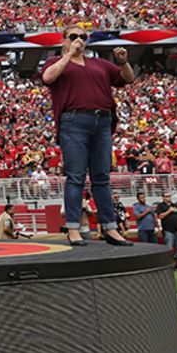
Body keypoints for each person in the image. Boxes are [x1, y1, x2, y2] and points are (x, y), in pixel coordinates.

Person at [40, 26, 135, 246]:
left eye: (83, 37)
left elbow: (126, 79)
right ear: (64, 40)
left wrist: (123, 62)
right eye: (74, 37)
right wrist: (69, 55)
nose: (79, 40)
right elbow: (48, 78)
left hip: (101, 121)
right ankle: (73, 228)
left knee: (102, 177)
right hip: (74, 121)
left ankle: (110, 228)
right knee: (76, 176)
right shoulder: (56, 62)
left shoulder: (98, 63)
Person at [155, 191, 177, 269]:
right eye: (166, 196)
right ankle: (170, 265)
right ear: (163, 197)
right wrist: (169, 211)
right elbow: (160, 216)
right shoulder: (160, 206)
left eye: (169, 196)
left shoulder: (176, 205)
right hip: (168, 230)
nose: (168, 197)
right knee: (169, 249)